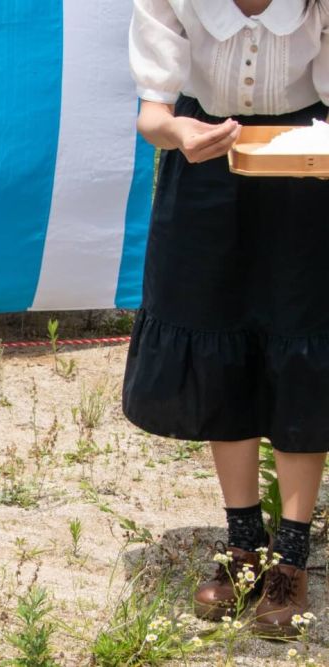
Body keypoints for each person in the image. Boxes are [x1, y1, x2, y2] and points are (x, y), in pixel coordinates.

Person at [125, 0, 329, 637]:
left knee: (302, 351)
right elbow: (154, 114)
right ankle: (244, 541)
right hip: (206, 172)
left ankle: (290, 559)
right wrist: (183, 134)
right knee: (219, 344)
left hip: (308, 172)